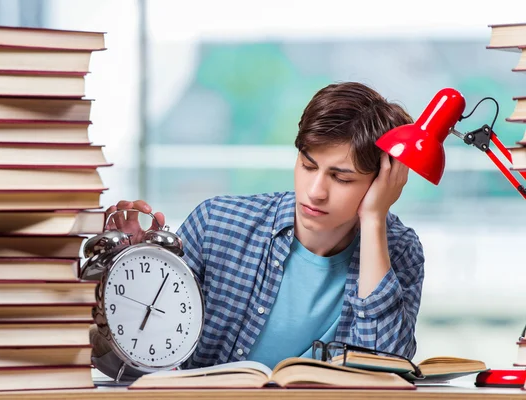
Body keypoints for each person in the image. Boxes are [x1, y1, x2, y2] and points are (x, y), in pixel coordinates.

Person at [99, 81, 425, 370]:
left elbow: (385, 375)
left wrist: (373, 219)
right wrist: (127, 280)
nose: (315, 192)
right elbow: (136, 364)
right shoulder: (216, 226)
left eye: (341, 178)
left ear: (384, 181)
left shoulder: (400, 250)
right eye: (308, 165)